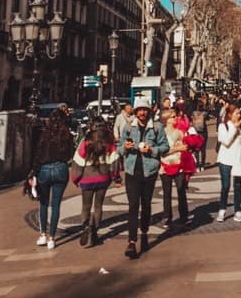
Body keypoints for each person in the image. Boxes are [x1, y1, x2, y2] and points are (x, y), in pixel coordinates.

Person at [118, 96, 169, 259]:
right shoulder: (128, 128)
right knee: (133, 205)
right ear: (135, 111)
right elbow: (118, 148)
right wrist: (124, 148)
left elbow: (165, 146)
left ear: (148, 112)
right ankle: (131, 241)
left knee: (146, 204)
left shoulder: (156, 127)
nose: (141, 113)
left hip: (149, 172)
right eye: (139, 110)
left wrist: (152, 150)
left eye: (144, 110)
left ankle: (144, 230)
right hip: (132, 171)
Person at [29, 108, 74, 250]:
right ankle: (52, 238)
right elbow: (69, 155)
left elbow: (37, 156)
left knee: (43, 203)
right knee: (55, 205)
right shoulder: (67, 136)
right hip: (61, 168)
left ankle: (42, 234)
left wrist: (33, 173)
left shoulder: (44, 136)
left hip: (44, 170)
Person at [71, 121, 120, 247]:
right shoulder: (109, 143)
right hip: (103, 178)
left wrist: (76, 178)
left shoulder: (86, 142)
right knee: (98, 206)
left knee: (86, 206)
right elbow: (114, 161)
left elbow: (78, 161)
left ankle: (86, 226)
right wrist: (115, 177)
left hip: (87, 177)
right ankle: (95, 230)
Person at [159, 107, 204, 227]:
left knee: (181, 191)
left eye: (175, 116)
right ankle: (167, 217)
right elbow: (161, 151)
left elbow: (185, 147)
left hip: (179, 165)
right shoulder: (161, 133)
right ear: (166, 119)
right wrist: (176, 149)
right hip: (165, 165)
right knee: (166, 193)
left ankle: (183, 215)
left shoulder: (180, 132)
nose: (176, 118)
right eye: (173, 117)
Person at [216, 103, 241, 222]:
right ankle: (222, 209)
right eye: (236, 113)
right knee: (225, 185)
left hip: (237, 159)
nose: (239, 115)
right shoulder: (223, 126)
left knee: (238, 186)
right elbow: (227, 141)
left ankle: (238, 210)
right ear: (230, 115)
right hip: (225, 160)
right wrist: (234, 127)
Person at [191, 101, 208, 171]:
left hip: (196, 132)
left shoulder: (194, 113)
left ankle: (197, 165)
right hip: (204, 132)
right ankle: (203, 165)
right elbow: (208, 118)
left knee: (196, 150)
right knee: (203, 150)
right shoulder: (205, 114)